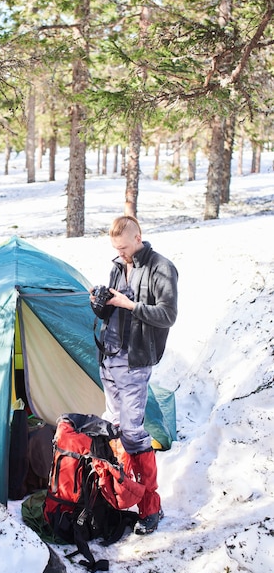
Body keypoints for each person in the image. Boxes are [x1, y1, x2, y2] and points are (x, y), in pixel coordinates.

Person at [90, 215, 178, 534]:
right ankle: (121, 494)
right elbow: (110, 310)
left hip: (135, 360)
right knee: (115, 427)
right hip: (109, 357)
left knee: (134, 433)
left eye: (124, 248)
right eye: (116, 248)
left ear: (138, 237)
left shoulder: (161, 268)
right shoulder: (117, 265)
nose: (121, 253)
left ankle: (150, 506)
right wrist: (100, 303)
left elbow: (167, 315)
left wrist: (129, 304)